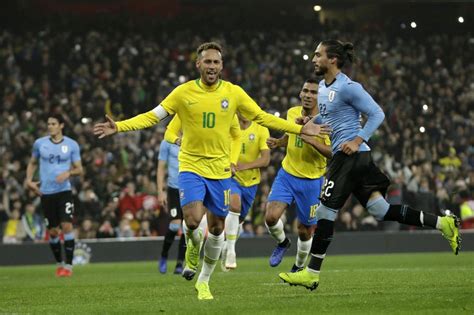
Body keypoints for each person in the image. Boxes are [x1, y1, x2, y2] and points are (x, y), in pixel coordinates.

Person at [93, 42, 329, 300]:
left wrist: (300, 129)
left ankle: (203, 281)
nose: (212, 67)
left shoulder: (234, 93)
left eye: (216, 62)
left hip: (219, 171)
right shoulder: (183, 93)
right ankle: (193, 248)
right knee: (193, 220)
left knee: (216, 229)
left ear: (222, 66)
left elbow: (262, 117)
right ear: (198, 64)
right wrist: (120, 127)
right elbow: (153, 116)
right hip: (191, 166)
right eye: (207, 62)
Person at [279, 39, 461, 291]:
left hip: (349, 156)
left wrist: (356, 139)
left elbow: (377, 113)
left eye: (318, 54)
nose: (313, 58)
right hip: (354, 159)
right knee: (380, 210)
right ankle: (443, 224)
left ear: (332, 59)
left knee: (324, 212)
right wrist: (310, 119)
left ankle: (311, 273)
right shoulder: (322, 86)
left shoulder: (349, 87)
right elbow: (330, 114)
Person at [264, 79, 331, 272]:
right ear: (300, 93)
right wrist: (279, 143)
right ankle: (283, 243)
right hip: (287, 175)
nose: (308, 95)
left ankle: (299, 267)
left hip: (311, 181)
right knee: (270, 217)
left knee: (305, 230)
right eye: (305, 91)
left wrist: (312, 141)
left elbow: (332, 152)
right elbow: (291, 136)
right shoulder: (292, 113)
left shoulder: (326, 121)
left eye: (313, 92)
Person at [26, 113, 83, 277]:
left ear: (61, 125)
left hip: (64, 191)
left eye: (53, 123)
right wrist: (29, 180)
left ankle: (69, 266)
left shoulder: (72, 145)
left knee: (67, 226)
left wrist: (68, 173)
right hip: (46, 193)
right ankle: (59, 263)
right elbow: (32, 162)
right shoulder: (40, 144)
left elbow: (80, 169)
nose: (50, 126)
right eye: (48, 123)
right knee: (53, 231)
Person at [221, 112, 270, 270]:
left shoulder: (261, 129)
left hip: (251, 181)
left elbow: (265, 159)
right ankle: (231, 252)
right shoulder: (228, 125)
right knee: (234, 206)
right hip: (230, 176)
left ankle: (226, 245)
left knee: (239, 221)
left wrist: (244, 166)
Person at [157, 127, 186, 275]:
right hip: (174, 189)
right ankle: (163, 256)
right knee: (175, 225)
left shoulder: (193, 138)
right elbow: (161, 168)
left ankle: (180, 263)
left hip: (189, 188)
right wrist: (160, 191)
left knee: (188, 226)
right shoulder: (167, 142)